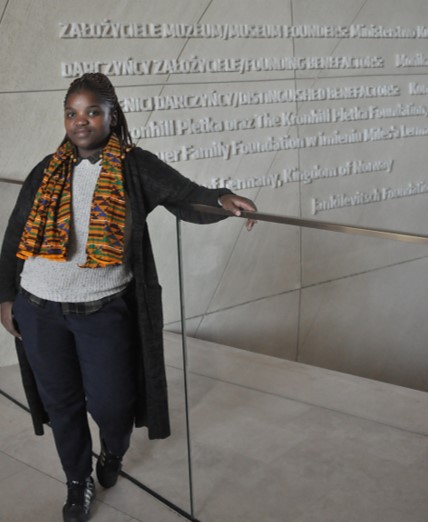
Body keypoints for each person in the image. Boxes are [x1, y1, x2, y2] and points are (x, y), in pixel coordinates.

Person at [0, 73, 256, 522]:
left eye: (92, 111)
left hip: (101, 311)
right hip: (38, 309)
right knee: (61, 403)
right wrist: (5, 296)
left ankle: (112, 451)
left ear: (111, 115)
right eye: (72, 113)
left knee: (112, 404)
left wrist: (223, 199)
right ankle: (77, 481)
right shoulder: (47, 168)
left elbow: (186, 195)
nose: (81, 121)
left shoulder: (135, 165)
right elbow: (14, 235)